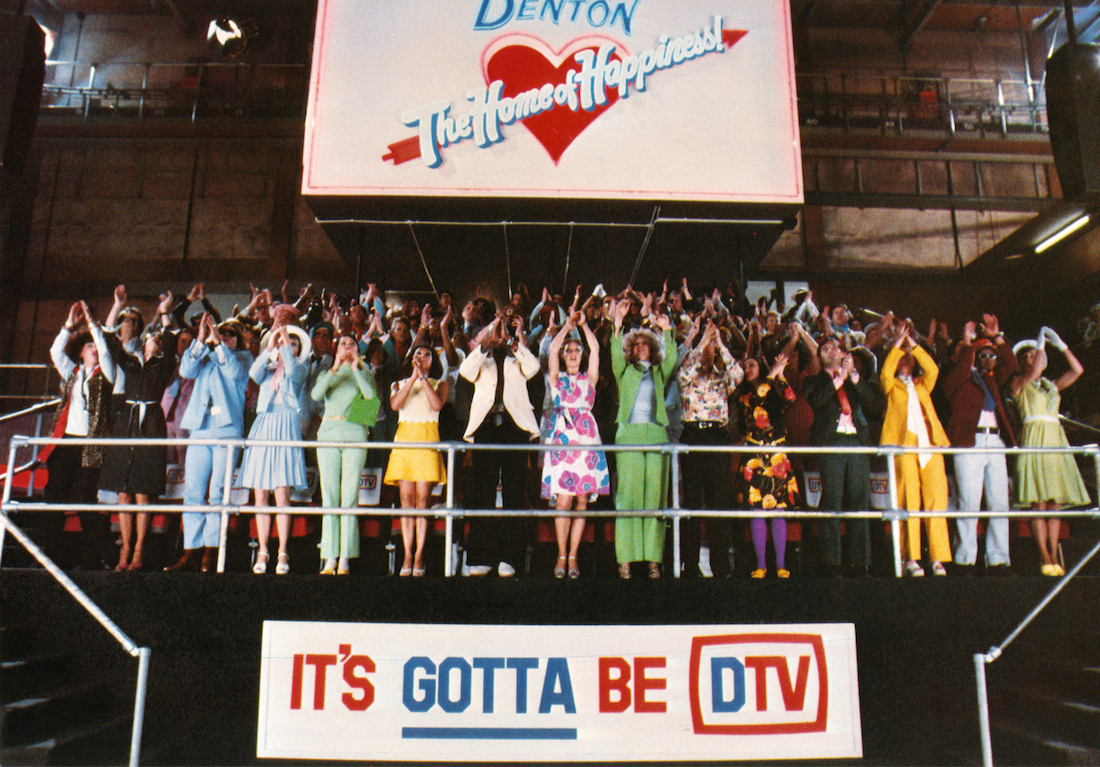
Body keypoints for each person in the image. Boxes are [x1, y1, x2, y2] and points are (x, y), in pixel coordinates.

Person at [98, 291, 177, 571]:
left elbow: (171, 336)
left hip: (151, 425)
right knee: (123, 492)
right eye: (153, 337)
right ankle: (125, 548)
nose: (156, 339)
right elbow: (108, 338)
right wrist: (117, 304)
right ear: (145, 342)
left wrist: (164, 309)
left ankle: (139, 550)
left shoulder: (163, 365)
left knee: (143, 491)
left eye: (158, 338)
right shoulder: (130, 362)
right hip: (126, 425)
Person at [459, 315, 541, 577]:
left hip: (514, 427)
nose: (500, 336)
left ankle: (510, 558)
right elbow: (466, 371)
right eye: (497, 330)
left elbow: (534, 369)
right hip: (486, 427)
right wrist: (485, 345)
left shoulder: (518, 360)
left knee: (514, 492)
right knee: (483, 489)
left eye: (503, 331)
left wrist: (516, 343)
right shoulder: (481, 360)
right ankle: (482, 557)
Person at [169, 313, 251, 572]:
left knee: (217, 492)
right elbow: (185, 370)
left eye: (229, 334)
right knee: (193, 491)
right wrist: (201, 339)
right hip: (200, 429)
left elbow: (233, 371)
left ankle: (211, 550)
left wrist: (217, 344)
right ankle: (191, 549)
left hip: (227, 431)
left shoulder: (242, 358)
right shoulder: (205, 356)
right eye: (221, 332)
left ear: (237, 340)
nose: (224, 336)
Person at [1011, 327, 1089, 576]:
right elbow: (1035, 371)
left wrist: (1062, 345)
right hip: (1034, 439)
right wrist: (1040, 347)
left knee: (1054, 503)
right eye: (1030, 355)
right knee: (1039, 503)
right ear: (1023, 361)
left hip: (1055, 440)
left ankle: (1054, 554)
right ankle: (1043, 555)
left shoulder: (1051, 385)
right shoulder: (1018, 383)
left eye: (1035, 354)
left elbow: (1077, 371)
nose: (1034, 358)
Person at [43, 301, 115, 569]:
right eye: (88, 346)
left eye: (94, 345)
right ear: (80, 352)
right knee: (54, 495)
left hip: (91, 443)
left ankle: (92, 557)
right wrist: (68, 325)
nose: (94, 349)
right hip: (66, 440)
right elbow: (54, 351)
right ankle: (51, 554)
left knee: (86, 497)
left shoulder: (105, 373)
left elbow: (106, 353)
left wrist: (95, 328)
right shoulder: (72, 372)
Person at [942, 315, 1017, 574]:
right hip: (968, 442)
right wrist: (967, 342)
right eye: (977, 353)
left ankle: (998, 559)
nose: (983, 358)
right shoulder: (955, 378)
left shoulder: (992, 378)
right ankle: (965, 559)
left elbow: (1011, 363)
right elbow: (963, 369)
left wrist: (997, 337)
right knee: (969, 502)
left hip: (994, 440)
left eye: (988, 355)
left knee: (999, 502)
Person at [610, 300, 676, 579]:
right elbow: (614, 354)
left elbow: (671, 358)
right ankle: (625, 560)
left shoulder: (659, 372)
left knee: (654, 499)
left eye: (644, 344)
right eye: (635, 345)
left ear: (651, 347)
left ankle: (653, 560)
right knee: (628, 497)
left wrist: (667, 331)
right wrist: (617, 323)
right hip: (629, 435)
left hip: (656, 434)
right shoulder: (624, 371)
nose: (639, 348)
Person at [541, 311, 609, 579]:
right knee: (564, 499)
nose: (571, 354)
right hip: (562, 436)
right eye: (568, 350)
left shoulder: (589, 379)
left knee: (582, 500)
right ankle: (560, 555)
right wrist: (567, 326)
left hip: (586, 438)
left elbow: (595, 348)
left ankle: (573, 556)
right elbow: (553, 348)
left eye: (575, 351)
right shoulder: (556, 378)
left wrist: (583, 326)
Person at [880, 324, 952, 576]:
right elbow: (885, 373)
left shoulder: (923, 385)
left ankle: (938, 558)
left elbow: (933, 368)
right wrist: (897, 344)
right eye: (900, 358)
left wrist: (912, 343)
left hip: (930, 444)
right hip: (903, 446)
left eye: (907, 358)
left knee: (936, 500)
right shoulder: (891, 387)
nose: (903, 361)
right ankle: (910, 558)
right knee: (908, 500)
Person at [241, 322, 311, 575]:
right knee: (261, 493)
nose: (286, 346)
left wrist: (286, 343)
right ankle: (262, 548)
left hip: (286, 425)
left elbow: (292, 371)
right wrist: (270, 346)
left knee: (282, 495)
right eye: (284, 343)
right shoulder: (269, 369)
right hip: (264, 424)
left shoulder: (301, 367)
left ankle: (282, 550)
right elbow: (254, 373)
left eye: (292, 344)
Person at [804, 336, 878, 576]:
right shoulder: (814, 381)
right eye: (825, 348)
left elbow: (871, 401)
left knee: (860, 499)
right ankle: (832, 561)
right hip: (831, 441)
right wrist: (838, 380)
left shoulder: (856, 377)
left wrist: (853, 376)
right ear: (820, 357)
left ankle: (862, 561)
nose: (831, 350)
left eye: (835, 346)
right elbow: (816, 401)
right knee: (832, 499)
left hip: (856, 440)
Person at [677, 318, 742, 578]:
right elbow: (683, 373)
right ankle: (690, 565)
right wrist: (703, 341)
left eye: (711, 350)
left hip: (717, 436)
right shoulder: (688, 377)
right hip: (693, 435)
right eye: (706, 349)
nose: (708, 353)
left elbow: (738, 375)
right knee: (692, 502)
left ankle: (720, 566)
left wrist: (720, 345)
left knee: (719, 502)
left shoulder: (723, 378)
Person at [312, 332, 378, 574]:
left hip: (355, 433)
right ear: (336, 348)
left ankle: (345, 558)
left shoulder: (366, 373)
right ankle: (330, 556)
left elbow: (370, 398)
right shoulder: (326, 373)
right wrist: (336, 367)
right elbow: (315, 395)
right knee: (329, 495)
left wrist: (356, 368)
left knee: (349, 494)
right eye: (343, 344)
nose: (347, 347)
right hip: (328, 432)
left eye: (352, 344)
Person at [384, 342, 449, 576]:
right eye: (418, 354)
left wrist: (423, 379)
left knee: (423, 501)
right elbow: (395, 404)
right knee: (406, 501)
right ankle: (407, 554)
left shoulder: (440, 384)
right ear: (411, 358)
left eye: (427, 354)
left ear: (434, 360)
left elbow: (436, 404)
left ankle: (420, 554)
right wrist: (412, 378)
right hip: (404, 444)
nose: (422, 357)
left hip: (427, 443)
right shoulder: (398, 384)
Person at [734, 353, 798, 579]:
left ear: (760, 367)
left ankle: (781, 565)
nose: (747, 368)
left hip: (778, 454)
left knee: (779, 508)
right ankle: (760, 565)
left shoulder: (773, 388)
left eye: (751, 364)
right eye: (744, 366)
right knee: (757, 509)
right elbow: (756, 401)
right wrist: (771, 375)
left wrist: (780, 374)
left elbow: (790, 398)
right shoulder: (744, 394)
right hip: (755, 454)